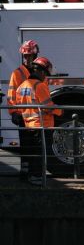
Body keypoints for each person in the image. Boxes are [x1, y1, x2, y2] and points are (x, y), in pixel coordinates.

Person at [10, 57, 62, 185]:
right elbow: (48, 107)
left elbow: (19, 105)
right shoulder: (40, 86)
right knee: (40, 154)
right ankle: (37, 178)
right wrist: (60, 111)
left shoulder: (22, 86)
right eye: (46, 75)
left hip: (29, 125)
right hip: (42, 125)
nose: (46, 78)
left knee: (32, 152)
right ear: (42, 72)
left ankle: (30, 176)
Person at [8, 40, 39, 106]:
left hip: (38, 112)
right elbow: (11, 94)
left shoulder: (41, 72)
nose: (28, 58)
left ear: (35, 56)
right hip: (21, 113)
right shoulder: (17, 73)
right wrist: (14, 111)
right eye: (26, 56)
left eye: (30, 55)